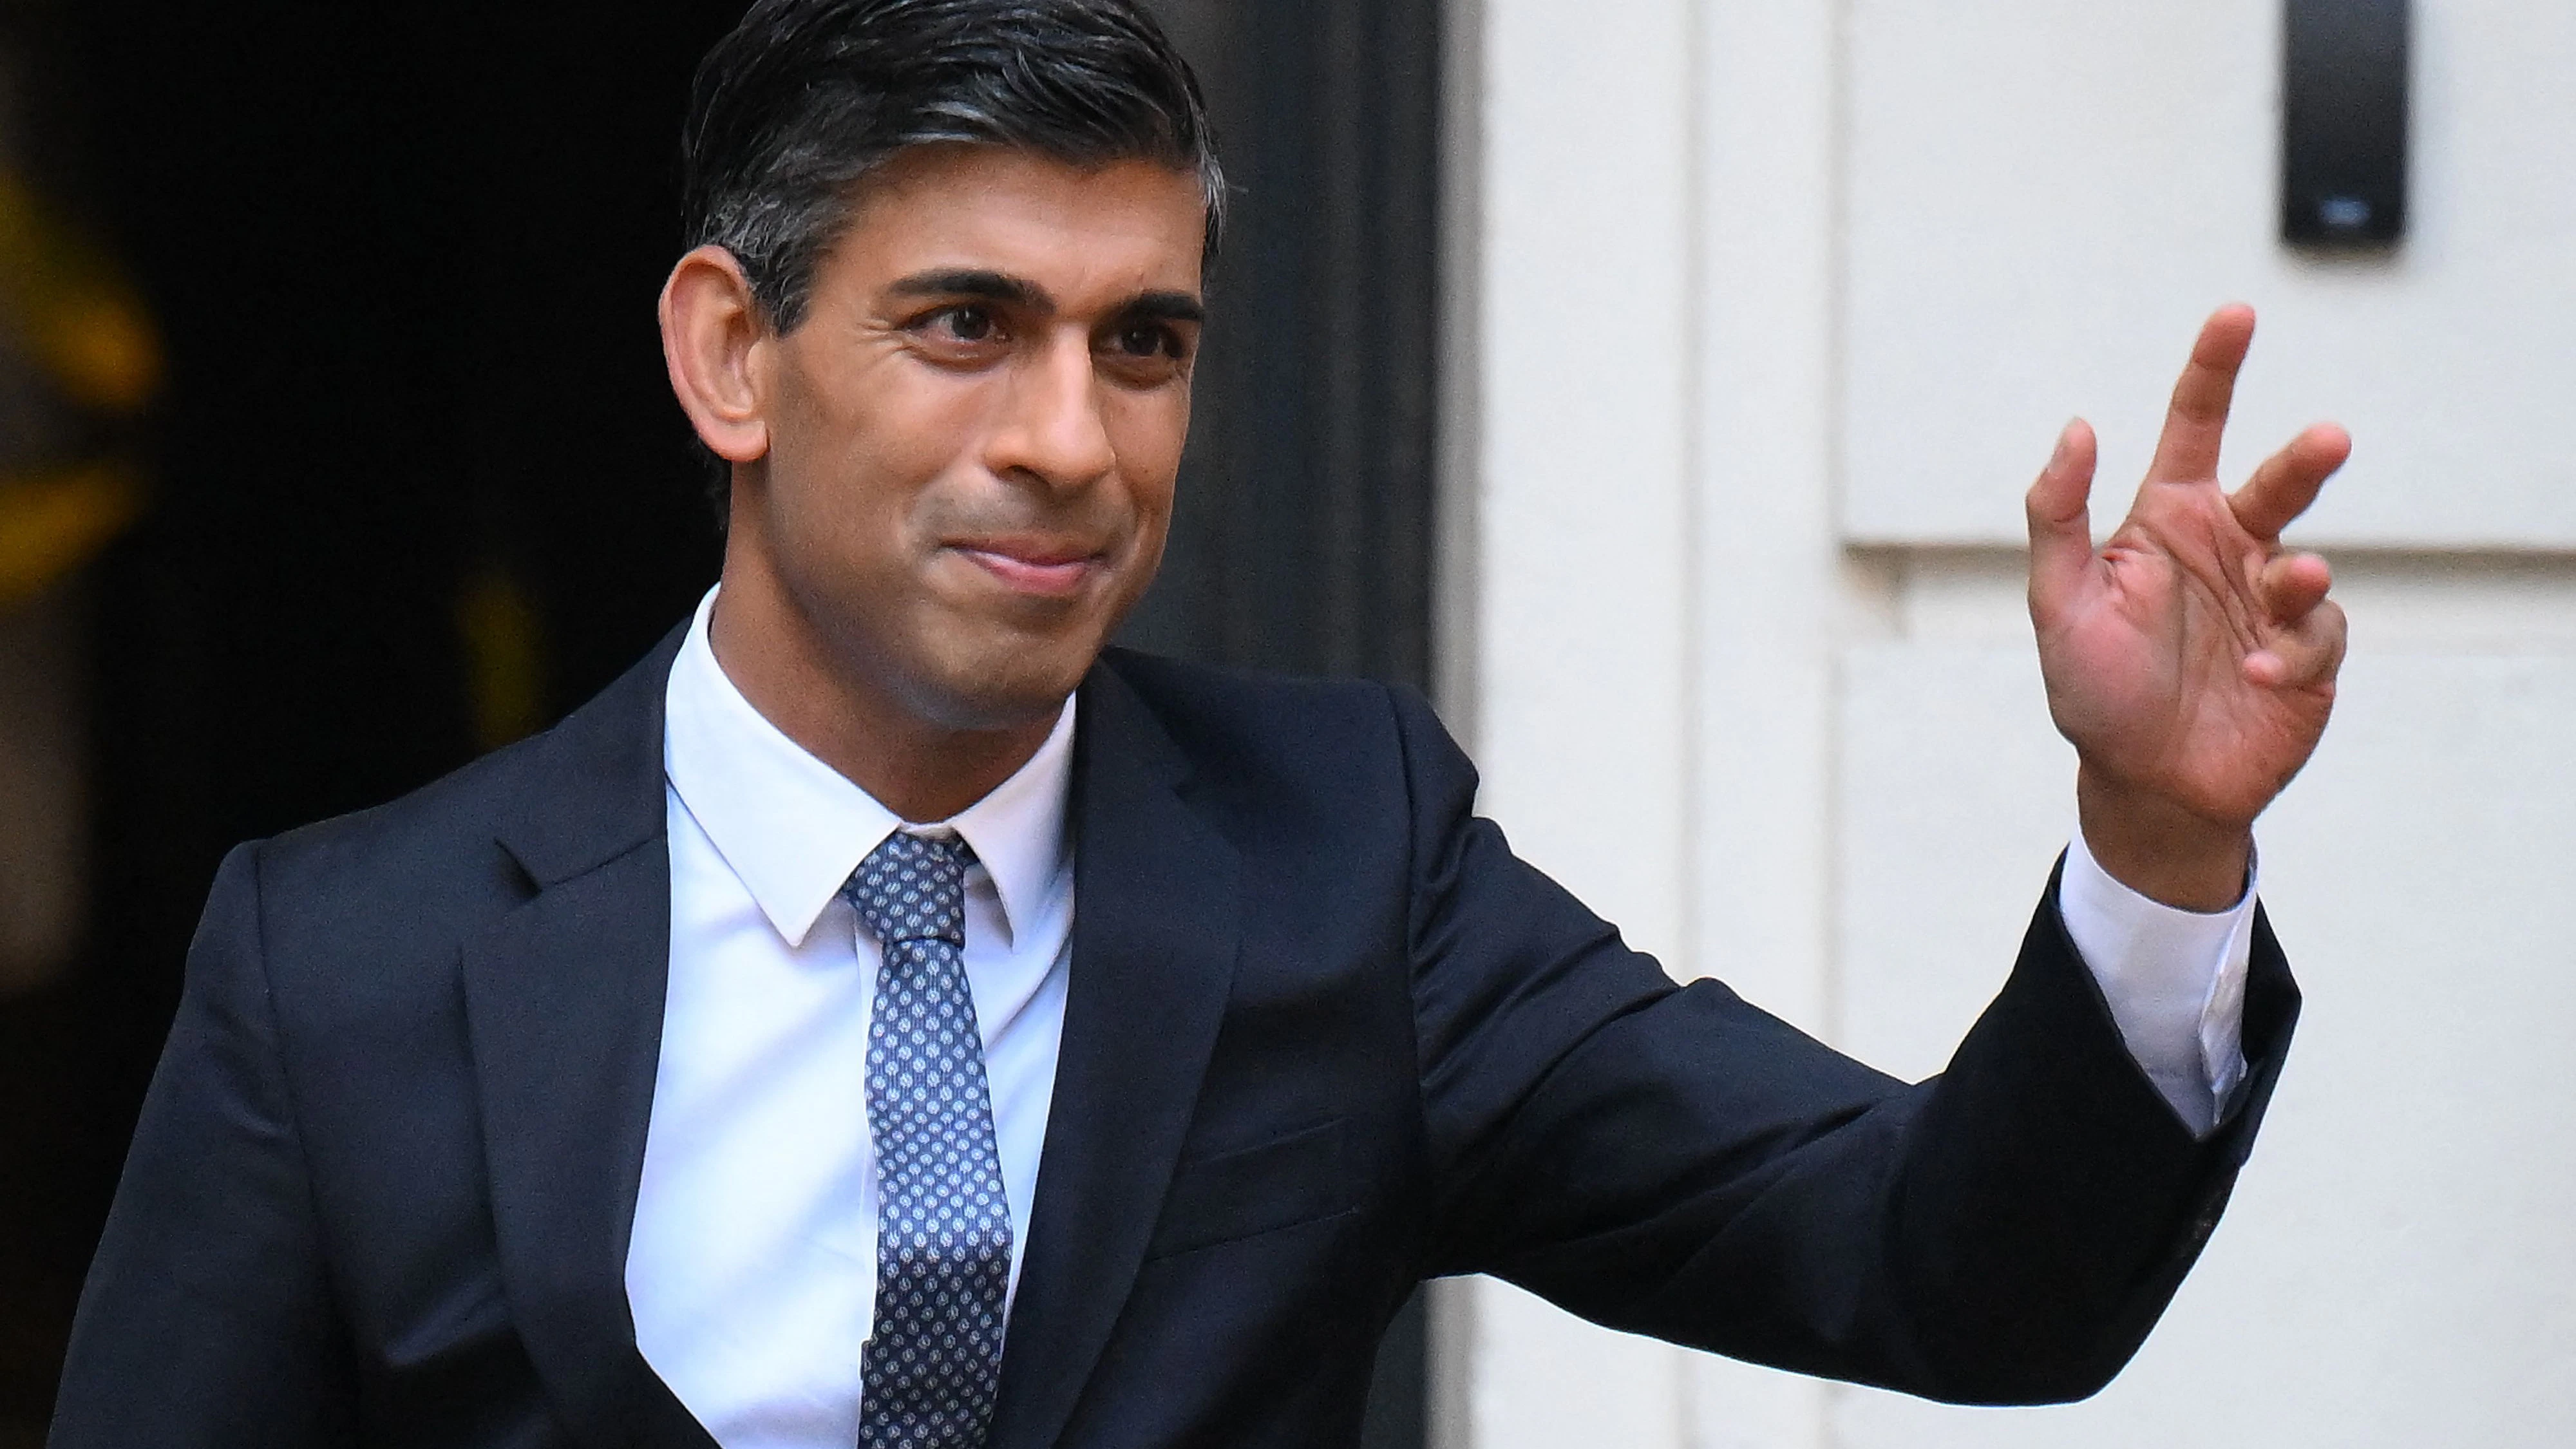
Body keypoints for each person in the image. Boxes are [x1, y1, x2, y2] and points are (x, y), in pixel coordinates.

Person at [48, 1, 2350, 1446]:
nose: (1075, 437)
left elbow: (1947, 1272)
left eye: (1141, 343)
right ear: (730, 356)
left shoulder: (1345, 859)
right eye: (968, 326)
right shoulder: (341, 957)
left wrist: (2155, 840)